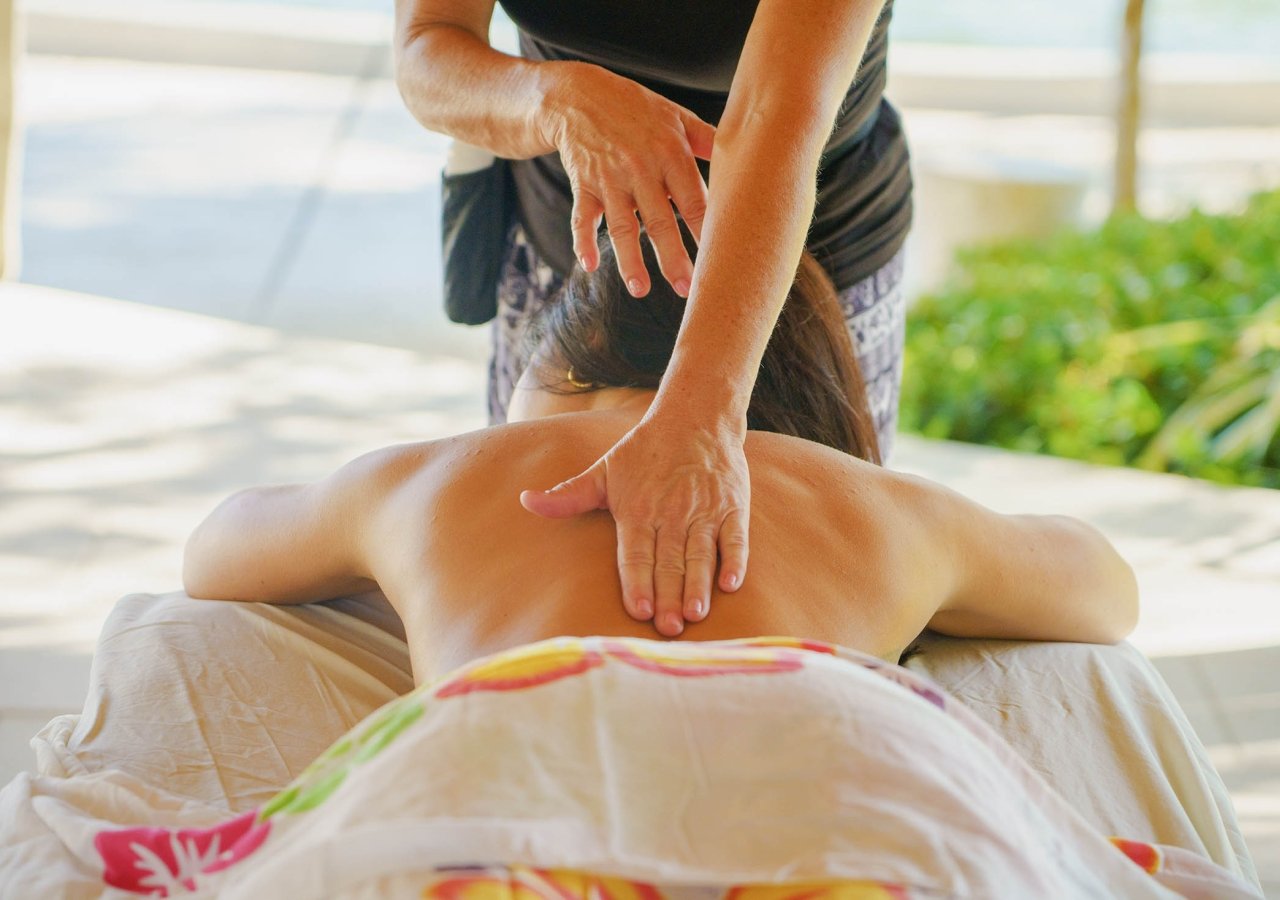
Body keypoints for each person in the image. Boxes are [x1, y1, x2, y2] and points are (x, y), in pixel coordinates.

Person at [183, 239, 1136, 679]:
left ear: (555, 368)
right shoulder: (877, 505)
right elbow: (1106, 590)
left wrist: (374, 544)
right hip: (824, 823)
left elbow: (215, 551)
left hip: (506, 818)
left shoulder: (428, 478)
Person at [393, 0, 913, 630]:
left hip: (802, 247)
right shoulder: (420, 503)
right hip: (573, 237)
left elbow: (776, 113)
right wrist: (551, 99)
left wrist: (703, 419)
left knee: (820, 556)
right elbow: (427, 45)